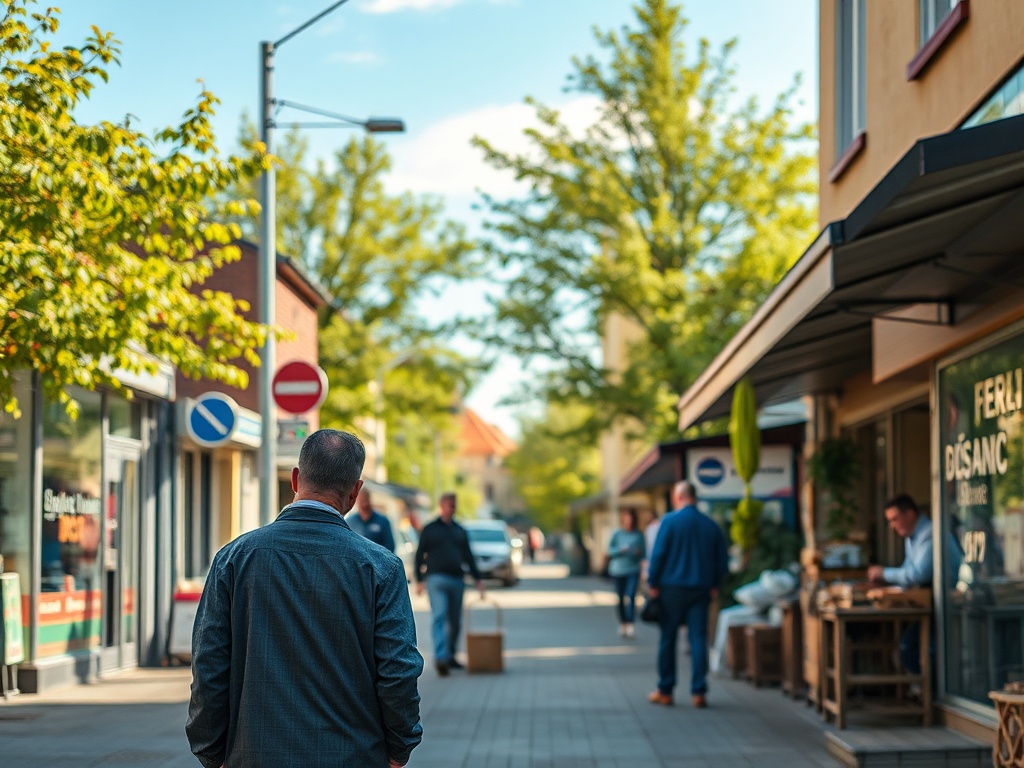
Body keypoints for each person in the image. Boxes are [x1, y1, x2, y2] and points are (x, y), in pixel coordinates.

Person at [186, 430, 423, 768]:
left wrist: (210, 750)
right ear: (355, 491)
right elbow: (398, 670)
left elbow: (208, 666)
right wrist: (400, 748)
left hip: (253, 756)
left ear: (296, 479)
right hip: (353, 756)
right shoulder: (380, 568)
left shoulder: (235, 559)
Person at [646, 480, 728, 709]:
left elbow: (658, 555)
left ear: (679, 497)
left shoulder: (670, 522)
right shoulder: (710, 525)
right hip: (701, 589)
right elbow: (722, 561)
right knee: (698, 638)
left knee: (668, 639)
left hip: (671, 589)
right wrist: (714, 584)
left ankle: (665, 690)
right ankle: (698, 692)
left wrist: (653, 582)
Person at [867, 493, 962, 673]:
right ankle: (925, 690)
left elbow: (917, 575)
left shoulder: (929, 533)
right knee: (906, 645)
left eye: (895, 519)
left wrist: (884, 573)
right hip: (931, 604)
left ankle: (931, 692)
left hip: (944, 605)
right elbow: (907, 572)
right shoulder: (913, 536)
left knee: (909, 648)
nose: (892, 526)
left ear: (910, 514)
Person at [414, 492, 484, 676]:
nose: (451, 508)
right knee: (439, 616)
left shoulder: (459, 530)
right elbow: (419, 555)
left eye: (454, 505)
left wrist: (477, 579)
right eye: (448, 504)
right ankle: (440, 658)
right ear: (441, 505)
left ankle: (451, 655)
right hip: (436, 579)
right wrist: (419, 581)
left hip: (457, 580)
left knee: (455, 621)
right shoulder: (430, 529)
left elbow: (468, 556)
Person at [606, 508, 646, 638]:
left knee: (632, 596)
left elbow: (643, 553)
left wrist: (637, 554)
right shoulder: (617, 534)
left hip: (633, 569)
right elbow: (610, 551)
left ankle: (630, 624)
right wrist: (620, 550)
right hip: (618, 570)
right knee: (620, 598)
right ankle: (623, 623)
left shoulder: (638, 535)